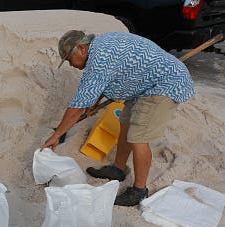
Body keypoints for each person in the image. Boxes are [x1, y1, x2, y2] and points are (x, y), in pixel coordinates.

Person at [42, 30, 195, 206]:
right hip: (144, 84)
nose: (70, 65)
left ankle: (139, 191)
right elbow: (103, 82)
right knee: (125, 123)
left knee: (138, 135)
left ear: (82, 49)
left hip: (164, 85)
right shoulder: (99, 46)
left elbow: (77, 108)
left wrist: (56, 135)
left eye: (69, 59)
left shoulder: (98, 60)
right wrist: (94, 101)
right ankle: (118, 170)